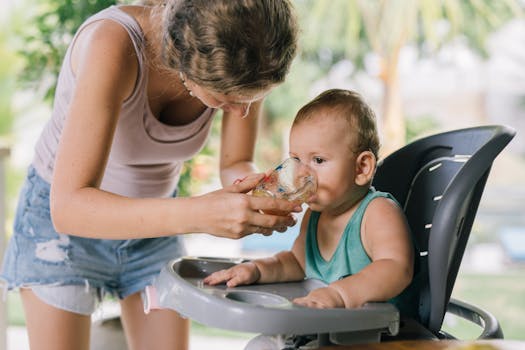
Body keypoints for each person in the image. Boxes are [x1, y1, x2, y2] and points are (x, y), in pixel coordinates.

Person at [0, 1, 300, 349]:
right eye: (225, 99)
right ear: (185, 58)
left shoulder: (248, 55)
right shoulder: (112, 45)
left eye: (253, 98)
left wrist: (259, 194)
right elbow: (68, 207)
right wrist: (201, 214)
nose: (242, 110)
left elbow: (236, 162)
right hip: (63, 231)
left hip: (155, 226)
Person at [205, 89, 419, 318]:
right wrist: (256, 269)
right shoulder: (315, 216)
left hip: (384, 337)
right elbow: (296, 262)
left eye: (318, 160)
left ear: (362, 168)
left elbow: (397, 268)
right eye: (296, 159)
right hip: (329, 333)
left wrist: (338, 295)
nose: (300, 173)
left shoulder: (378, 212)